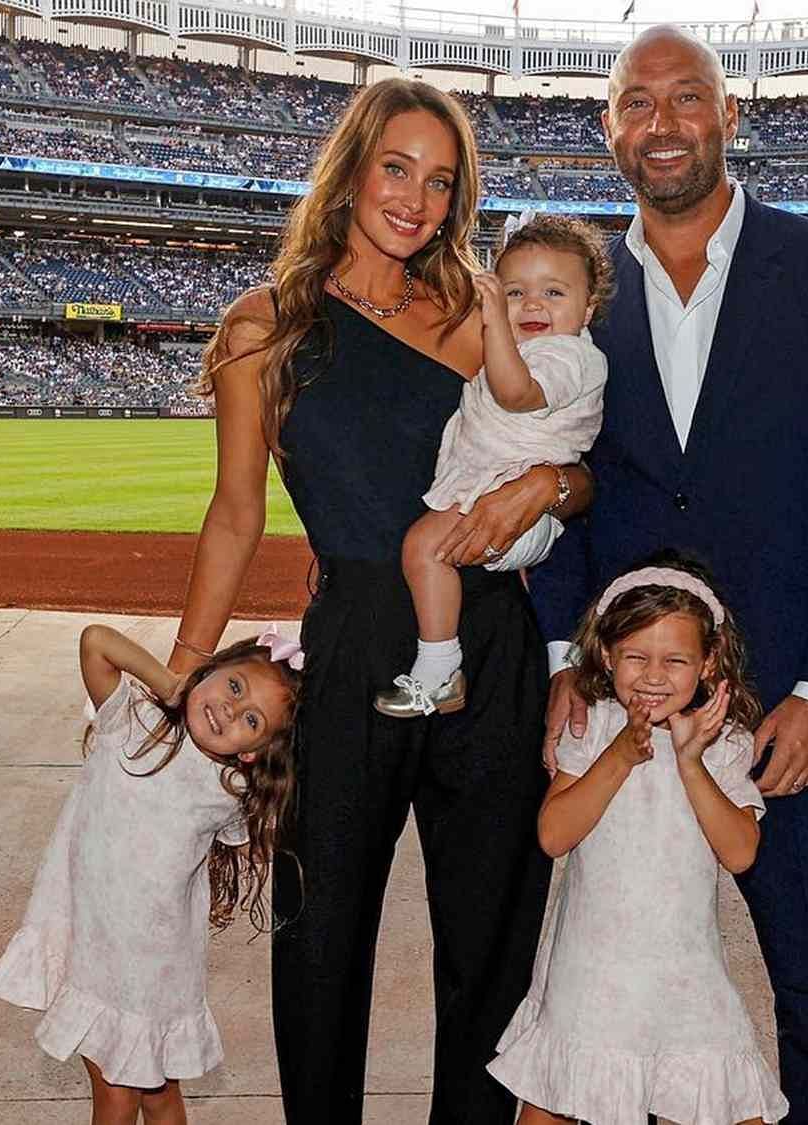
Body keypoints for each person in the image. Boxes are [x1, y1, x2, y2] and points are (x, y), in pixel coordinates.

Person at [168, 78, 593, 1124]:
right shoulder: (261, 327)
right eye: (396, 167)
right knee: (321, 932)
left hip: (488, 640)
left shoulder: (485, 319)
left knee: (494, 932)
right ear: (352, 167)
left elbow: (581, 462)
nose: (415, 198)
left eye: (441, 182)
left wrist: (547, 485)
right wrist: (183, 674)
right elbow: (234, 513)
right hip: (354, 644)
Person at [531, 26, 808, 1125]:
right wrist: (567, 658)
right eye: (636, 102)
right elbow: (556, 476)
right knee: (614, 977)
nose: (662, 123)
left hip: (785, 695)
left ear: (729, 115)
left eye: (687, 97)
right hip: (625, 704)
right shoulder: (581, 290)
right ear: (608, 129)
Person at [490, 554, 790, 1125]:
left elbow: (740, 852)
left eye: (675, 660)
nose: (654, 676)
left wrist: (691, 762)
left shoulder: (721, 742)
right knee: (555, 1100)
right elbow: (554, 835)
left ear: (708, 664)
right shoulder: (593, 726)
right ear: (606, 655)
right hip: (592, 968)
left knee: (714, 1096)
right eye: (637, 658)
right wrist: (621, 755)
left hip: (685, 971)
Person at [0, 624, 304, 1125]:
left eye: (251, 720)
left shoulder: (230, 788)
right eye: (234, 686)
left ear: (252, 752)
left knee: (119, 1097)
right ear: (212, 670)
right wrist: (169, 681)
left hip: (148, 969)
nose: (228, 709)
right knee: (152, 1094)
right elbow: (95, 642)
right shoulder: (132, 721)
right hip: (101, 950)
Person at [377, 215, 610, 718]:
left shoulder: (571, 357)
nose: (532, 305)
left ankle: (439, 668)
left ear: (588, 308)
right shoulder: (537, 348)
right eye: (515, 293)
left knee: (423, 549)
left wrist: (493, 320)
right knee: (426, 551)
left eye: (554, 293)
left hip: (515, 508)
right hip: (502, 496)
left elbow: (515, 390)